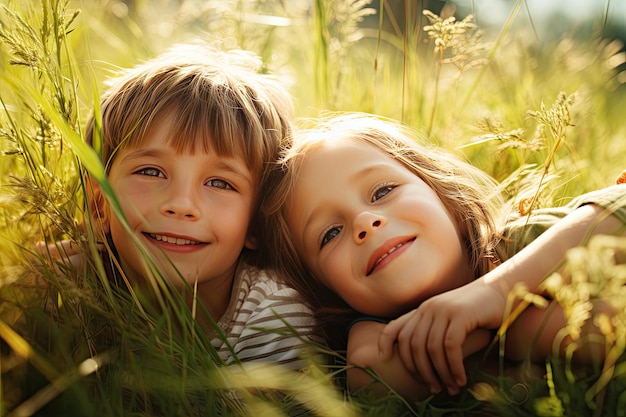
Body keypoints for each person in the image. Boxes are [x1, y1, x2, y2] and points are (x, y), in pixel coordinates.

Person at [260, 112, 626, 401]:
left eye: (383, 190)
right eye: (330, 234)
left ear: (445, 198)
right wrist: (511, 334)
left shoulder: (520, 242)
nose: (364, 223)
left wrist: (495, 295)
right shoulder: (372, 329)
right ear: (325, 288)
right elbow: (372, 377)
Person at [48, 43, 320, 372]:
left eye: (220, 183)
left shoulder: (272, 315)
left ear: (256, 225)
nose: (181, 204)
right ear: (99, 205)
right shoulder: (75, 292)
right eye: (150, 172)